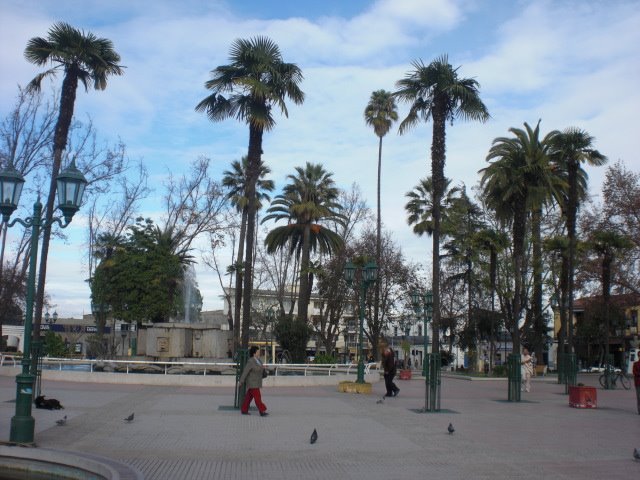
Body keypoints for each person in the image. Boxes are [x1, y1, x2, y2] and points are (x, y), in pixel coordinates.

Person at [239, 346, 268, 416]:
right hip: (252, 382)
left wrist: (263, 368)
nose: (259, 352)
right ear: (254, 353)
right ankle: (262, 410)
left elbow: (259, 369)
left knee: (248, 397)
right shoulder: (251, 361)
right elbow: (245, 371)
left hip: (257, 382)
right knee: (258, 397)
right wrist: (241, 381)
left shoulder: (259, 360)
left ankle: (244, 410)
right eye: (258, 351)